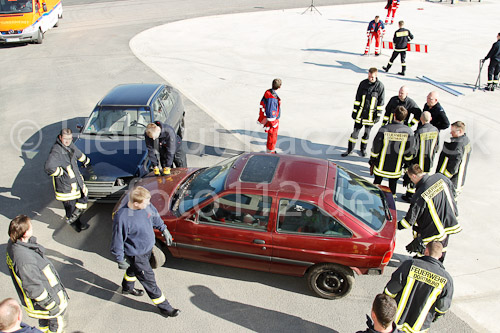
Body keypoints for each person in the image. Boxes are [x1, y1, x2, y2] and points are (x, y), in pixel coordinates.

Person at [110, 186, 180, 318]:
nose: (149, 203)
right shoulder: (122, 217)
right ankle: (165, 307)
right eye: (146, 202)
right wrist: (119, 258)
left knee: (134, 269)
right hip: (137, 254)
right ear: (135, 203)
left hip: (148, 248)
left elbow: (155, 216)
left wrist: (164, 229)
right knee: (149, 280)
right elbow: (117, 240)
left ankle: (127, 287)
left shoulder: (146, 205)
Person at [6, 215, 68, 333]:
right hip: (47, 303)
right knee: (56, 326)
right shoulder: (25, 259)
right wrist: (52, 306)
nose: (32, 228)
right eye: (30, 227)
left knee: (44, 323)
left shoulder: (14, 245)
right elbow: (34, 288)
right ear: (24, 233)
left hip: (40, 304)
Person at [384, 242, 454, 333]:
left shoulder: (410, 265)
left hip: (397, 321)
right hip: (420, 326)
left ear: (426, 251)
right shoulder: (446, 279)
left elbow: (390, 290)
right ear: (440, 255)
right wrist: (434, 317)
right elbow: (442, 308)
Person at [398, 164, 461, 262]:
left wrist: (396, 226)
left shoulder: (420, 194)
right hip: (448, 222)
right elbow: (453, 193)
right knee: (441, 248)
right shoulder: (440, 177)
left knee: (428, 250)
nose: (411, 181)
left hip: (432, 229)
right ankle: (439, 264)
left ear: (414, 176)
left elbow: (409, 220)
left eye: (410, 178)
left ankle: (424, 263)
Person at [44, 128, 90, 232]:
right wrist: (60, 173)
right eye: (65, 139)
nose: (67, 141)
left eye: (69, 139)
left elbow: (77, 153)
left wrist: (86, 161)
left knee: (82, 198)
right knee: (71, 207)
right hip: (65, 188)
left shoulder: (69, 146)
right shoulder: (57, 150)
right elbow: (48, 167)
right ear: (60, 137)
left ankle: (75, 221)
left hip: (74, 185)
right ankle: (74, 224)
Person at [370, 106, 414, 196]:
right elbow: (409, 152)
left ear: (394, 115)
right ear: (405, 117)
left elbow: (376, 146)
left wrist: (373, 159)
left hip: (380, 167)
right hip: (396, 169)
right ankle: (391, 204)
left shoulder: (384, 129)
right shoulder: (409, 132)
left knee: (376, 187)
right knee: (392, 188)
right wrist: (407, 164)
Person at [343, 68, 385, 157]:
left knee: (366, 135)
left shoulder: (380, 86)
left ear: (376, 75)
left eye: (372, 77)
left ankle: (363, 150)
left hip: (370, 117)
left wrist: (378, 116)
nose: (370, 78)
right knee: (354, 134)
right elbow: (357, 98)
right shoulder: (363, 84)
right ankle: (349, 150)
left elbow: (381, 103)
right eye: (369, 76)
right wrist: (354, 111)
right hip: (360, 115)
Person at [402, 111, 439, 202]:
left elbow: (414, 149)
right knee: (424, 178)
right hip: (429, 160)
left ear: (421, 119)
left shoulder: (419, 132)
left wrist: (408, 161)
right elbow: (437, 146)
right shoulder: (435, 130)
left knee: (414, 179)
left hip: (418, 161)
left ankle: (409, 195)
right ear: (430, 119)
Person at [436, 121, 472, 196]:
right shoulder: (466, 140)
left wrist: (444, 177)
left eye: (453, 131)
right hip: (460, 179)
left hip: (454, 182)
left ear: (460, 131)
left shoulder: (458, 146)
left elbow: (453, 167)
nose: (451, 133)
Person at [257, 78, 282, 154]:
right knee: (272, 136)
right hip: (273, 121)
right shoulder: (272, 98)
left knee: (271, 137)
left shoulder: (269, 92)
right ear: (279, 87)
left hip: (271, 119)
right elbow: (271, 112)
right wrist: (274, 123)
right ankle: (270, 152)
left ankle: (270, 151)